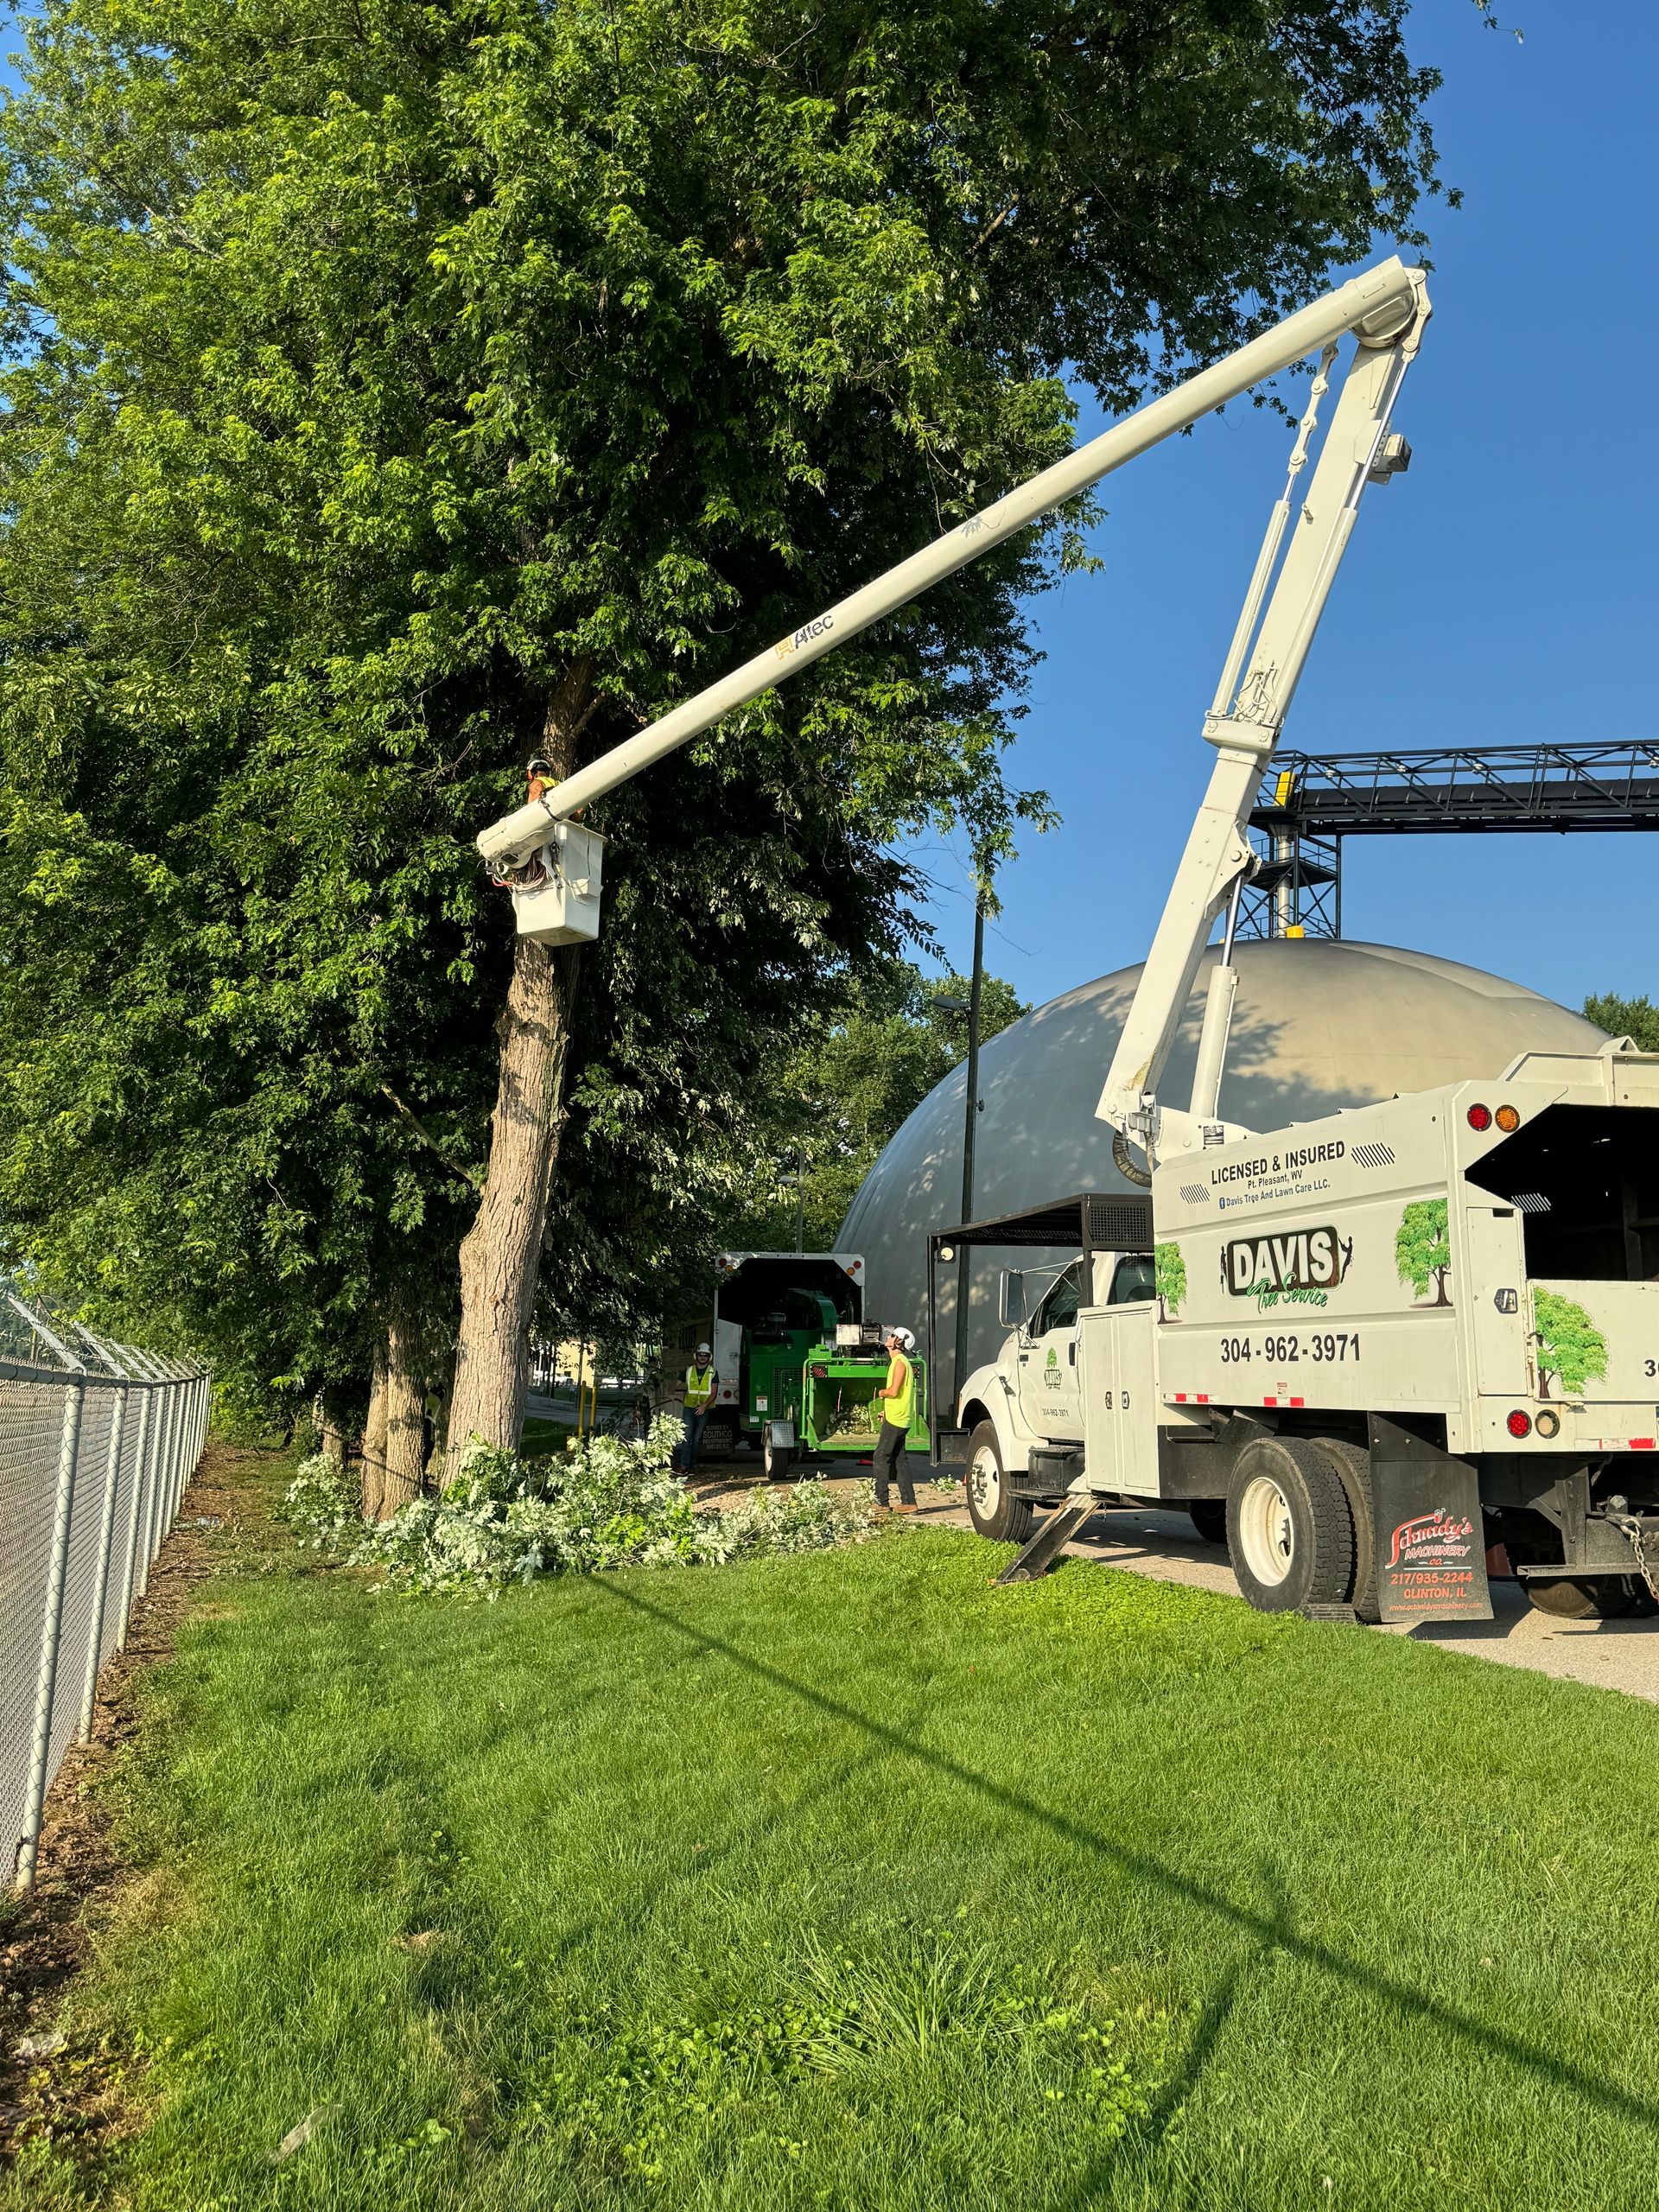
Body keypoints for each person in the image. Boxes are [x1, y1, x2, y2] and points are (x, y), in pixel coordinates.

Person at [872, 1325, 918, 1513]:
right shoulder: (900, 1361)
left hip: (897, 1419)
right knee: (900, 1460)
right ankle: (909, 1503)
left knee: (880, 1457)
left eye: (892, 1336)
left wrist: (881, 1393)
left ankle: (881, 1503)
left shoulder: (899, 1362)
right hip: (899, 1417)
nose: (888, 1338)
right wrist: (886, 1411)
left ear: (899, 1342)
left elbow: (893, 1391)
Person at [675, 1343, 718, 1473]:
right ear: (696, 1356)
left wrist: (704, 1406)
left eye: (706, 1355)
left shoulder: (713, 1372)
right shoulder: (688, 1371)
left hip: (704, 1410)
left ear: (709, 1357)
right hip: (689, 1408)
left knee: (696, 1440)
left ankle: (693, 1465)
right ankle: (684, 1465)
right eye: (701, 1354)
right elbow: (674, 1385)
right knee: (687, 1438)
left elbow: (714, 1392)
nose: (703, 1357)